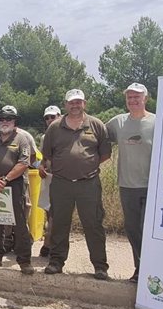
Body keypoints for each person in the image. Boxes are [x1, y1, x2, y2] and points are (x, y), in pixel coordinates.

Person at [41, 89, 112, 280]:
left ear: (84, 103)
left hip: (88, 184)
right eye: (71, 102)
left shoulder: (96, 125)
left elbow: (105, 154)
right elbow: (47, 154)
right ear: (66, 105)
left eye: (78, 102)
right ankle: (56, 262)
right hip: (61, 184)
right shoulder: (54, 127)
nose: (75, 105)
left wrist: (86, 166)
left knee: (94, 224)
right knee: (59, 224)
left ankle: (100, 266)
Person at [106, 83, 155, 283]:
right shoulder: (118, 122)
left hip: (152, 187)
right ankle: (139, 270)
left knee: (147, 230)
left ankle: (152, 271)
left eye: (137, 97)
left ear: (146, 98)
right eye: (129, 98)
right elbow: (97, 135)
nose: (133, 101)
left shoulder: (158, 122)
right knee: (133, 229)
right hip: (127, 186)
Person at [0, 106, 35, 274]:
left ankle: (24, 260)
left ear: (14, 121)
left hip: (14, 185)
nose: (4, 122)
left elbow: (24, 163)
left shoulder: (22, 139)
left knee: (19, 223)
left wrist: (5, 179)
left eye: (8, 119)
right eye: (1, 119)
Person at [38, 105, 61, 258]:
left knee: (57, 214)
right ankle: (50, 243)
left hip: (63, 178)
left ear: (59, 116)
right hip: (49, 177)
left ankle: (49, 244)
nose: (50, 120)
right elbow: (43, 158)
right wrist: (41, 167)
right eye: (47, 117)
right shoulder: (45, 137)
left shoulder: (67, 133)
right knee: (48, 212)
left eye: (53, 117)